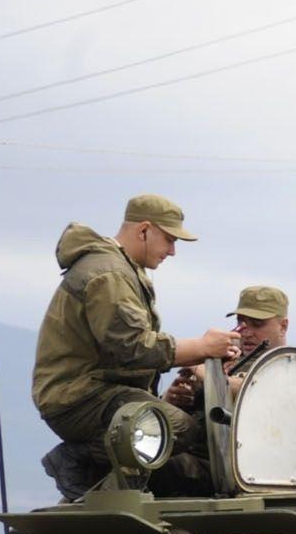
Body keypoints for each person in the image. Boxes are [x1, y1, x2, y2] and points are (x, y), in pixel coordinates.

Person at [32, 194, 239, 494]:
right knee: (175, 428)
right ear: (144, 230)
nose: (172, 251)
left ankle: (103, 472)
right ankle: (80, 460)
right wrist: (202, 347)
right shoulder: (110, 273)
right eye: (168, 240)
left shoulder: (121, 270)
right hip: (78, 397)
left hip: (89, 392)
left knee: (167, 430)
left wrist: (163, 392)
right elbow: (132, 347)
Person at [164, 284, 289, 414]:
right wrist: (172, 399)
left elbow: (263, 392)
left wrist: (208, 375)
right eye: (241, 323)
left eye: (257, 324)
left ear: (283, 326)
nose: (246, 333)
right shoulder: (223, 360)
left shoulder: (294, 368)